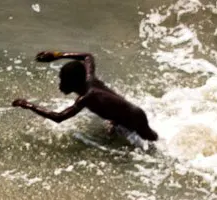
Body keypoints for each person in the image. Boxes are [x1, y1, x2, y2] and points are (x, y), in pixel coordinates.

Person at [13, 50, 160, 143]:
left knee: (153, 144)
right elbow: (87, 56)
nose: (60, 85)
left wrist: (28, 105)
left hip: (135, 118)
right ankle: (116, 122)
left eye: (63, 81)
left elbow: (59, 117)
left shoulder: (88, 97)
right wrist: (57, 55)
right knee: (112, 134)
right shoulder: (88, 77)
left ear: (74, 83)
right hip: (124, 113)